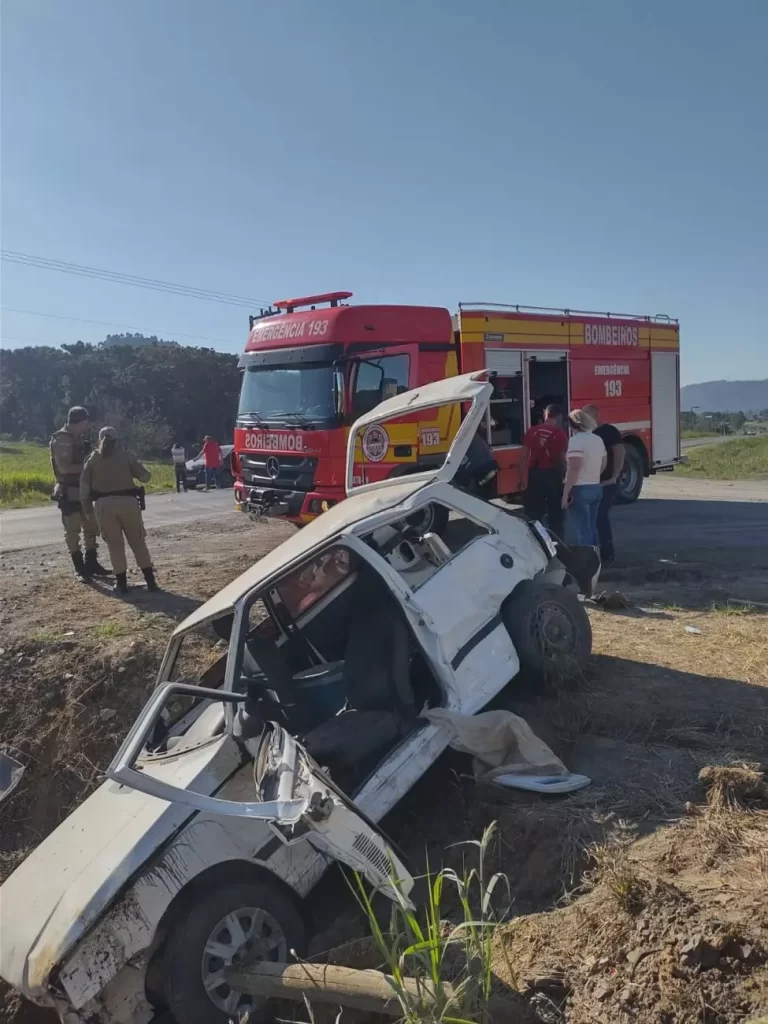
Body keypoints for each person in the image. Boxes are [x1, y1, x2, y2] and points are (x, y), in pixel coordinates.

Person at [80, 426, 158, 594]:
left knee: (114, 546)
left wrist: (87, 510)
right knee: (138, 542)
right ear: (116, 440)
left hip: (103, 506)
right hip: (128, 503)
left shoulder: (92, 460)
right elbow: (145, 477)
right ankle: (150, 581)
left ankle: (121, 584)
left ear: (99, 440)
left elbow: (84, 489)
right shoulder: (127, 456)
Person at [50, 406, 111, 581]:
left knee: (91, 526)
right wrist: (87, 467)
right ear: (80, 421)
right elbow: (64, 467)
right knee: (72, 530)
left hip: (83, 490)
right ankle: (79, 568)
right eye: (86, 421)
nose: (87, 425)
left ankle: (92, 563)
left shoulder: (78, 438)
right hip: (69, 490)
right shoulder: (62, 439)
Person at [583, 404, 625, 566]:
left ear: (596, 415)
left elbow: (620, 453)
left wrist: (614, 476)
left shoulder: (609, 431)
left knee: (600, 515)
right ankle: (593, 553)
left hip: (607, 482)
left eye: (587, 416)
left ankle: (608, 553)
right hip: (591, 482)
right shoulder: (587, 433)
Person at [521, 403, 568, 538]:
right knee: (556, 517)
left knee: (534, 516)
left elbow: (523, 457)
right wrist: (564, 478)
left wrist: (522, 479)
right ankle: (558, 546)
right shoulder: (560, 434)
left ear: (544, 415)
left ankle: (537, 545)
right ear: (559, 416)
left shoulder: (532, 431)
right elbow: (562, 459)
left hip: (535, 476)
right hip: (553, 477)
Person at [561, 409, 606, 549]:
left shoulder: (576, 441)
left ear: (572, 425)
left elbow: (574, 468)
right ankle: (596, 559)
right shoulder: (598, 439)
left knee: (581, 531)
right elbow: (603, 463)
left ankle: (586, 564)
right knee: (591, 528)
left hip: (580, 488)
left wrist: (565, 494)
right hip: (595, 487)